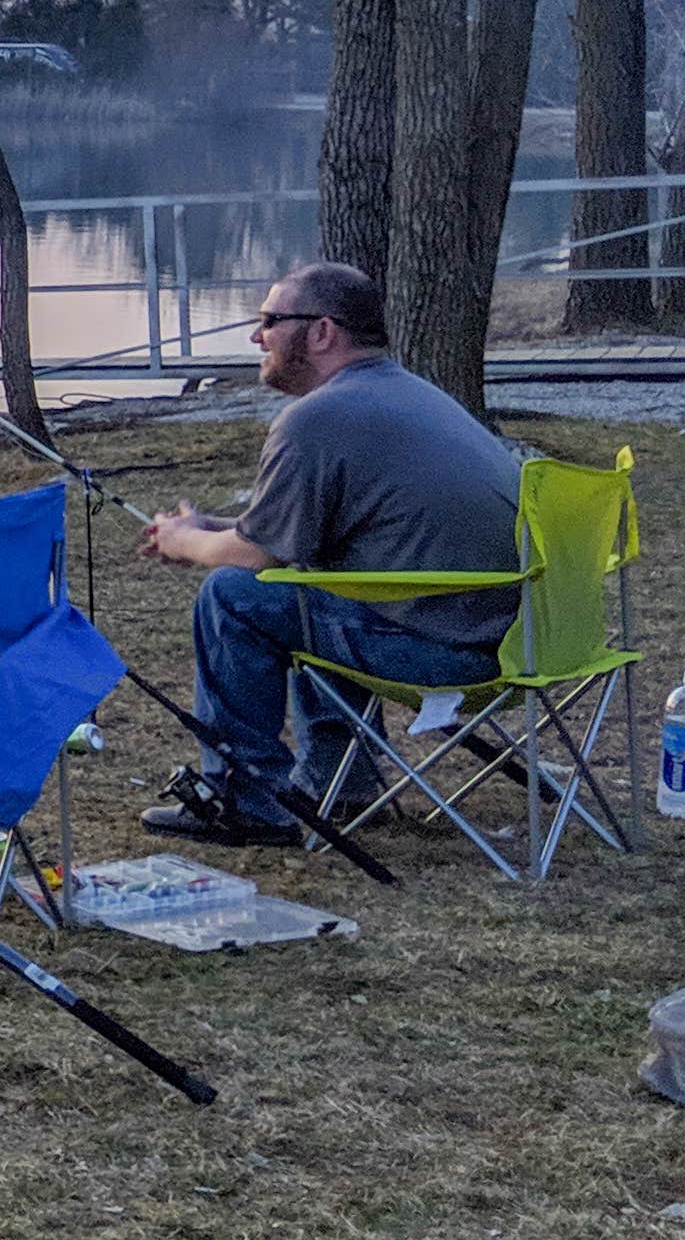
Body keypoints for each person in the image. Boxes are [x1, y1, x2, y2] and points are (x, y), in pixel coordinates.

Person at [133, 259, 526, 844]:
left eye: (269, 320)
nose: (256, 336)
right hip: (520, 640)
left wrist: (185, 541)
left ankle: (246, 801)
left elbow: (257, 559)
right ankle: (342, 782)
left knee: (234, 597)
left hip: (451, 656)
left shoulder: (316, 418)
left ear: (321, 332)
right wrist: (211, 527)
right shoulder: (406, 393)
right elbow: (296, 535)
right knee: (315, 577)